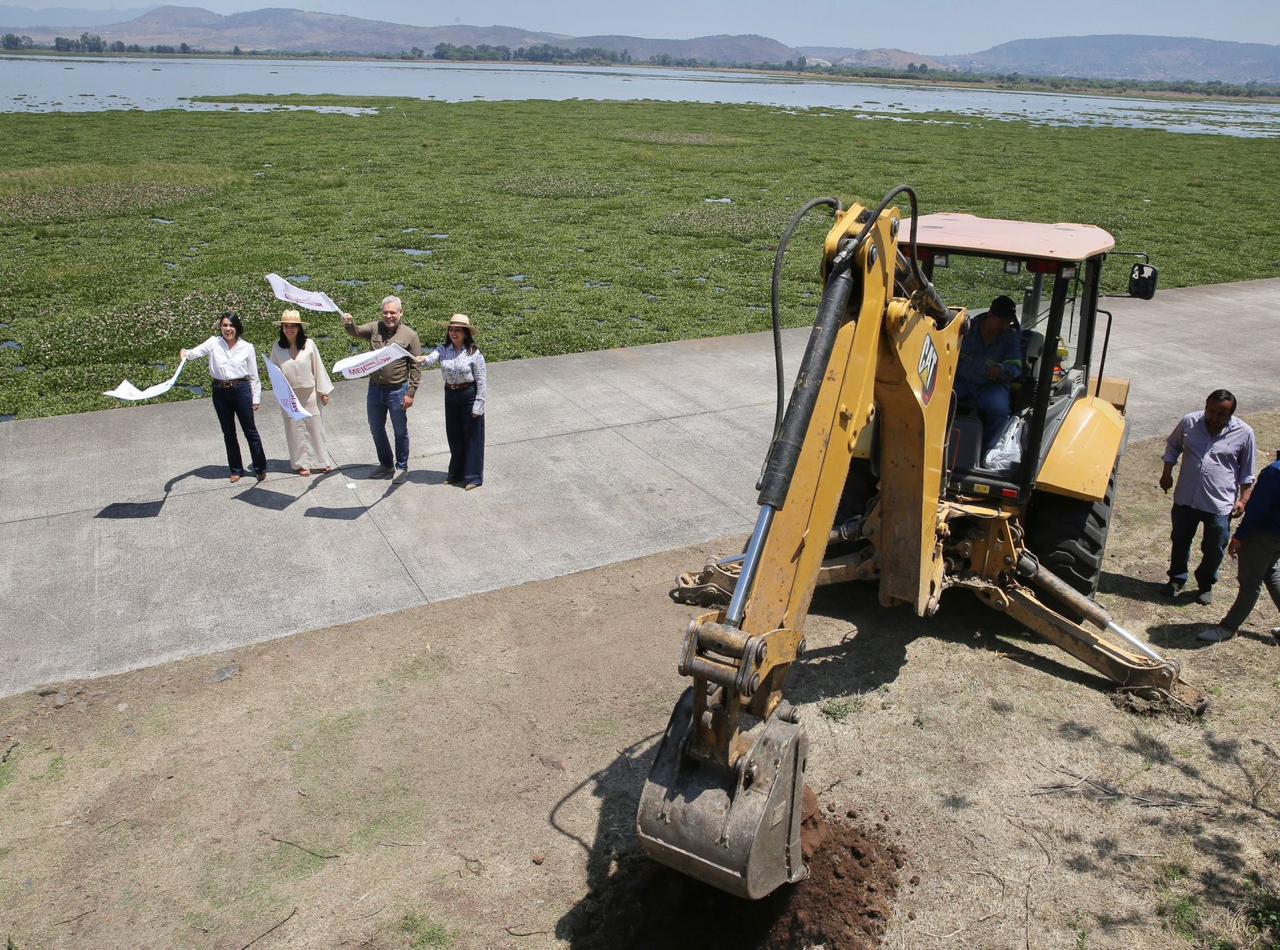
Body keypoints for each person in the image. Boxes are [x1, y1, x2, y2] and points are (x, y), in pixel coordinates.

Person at [1160, 389, 1256, 605]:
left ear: (1230, 414)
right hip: (1186, 498)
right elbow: (1173, 446)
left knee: (1214, 548)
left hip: (1219, 504)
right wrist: (1167, 473)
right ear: (1205, 407)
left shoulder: (1244, 433)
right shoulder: (1189, 422)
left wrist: (1243, 500)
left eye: (1221, 414)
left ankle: (1205, 584)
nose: (1214, 418)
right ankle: (1176, 578)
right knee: (1180, 540)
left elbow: (1247, 472)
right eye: (1210, 411)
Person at [1199, 450, 1280, 643]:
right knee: (1271, 571)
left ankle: (1228, 627)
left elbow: (1257, 509)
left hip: (1263, 535)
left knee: (1250, 584)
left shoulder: (1275, 471)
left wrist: (1240, 536)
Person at [342, 295, 422, 483]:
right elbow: (356, 332)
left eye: (392, 312)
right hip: (375, 389)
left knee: (400, 431)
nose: (388, 316)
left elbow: (416, 366)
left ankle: (401, 467)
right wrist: (349, 323)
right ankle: (386, 464)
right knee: (376, 428)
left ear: (401, 313)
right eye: (385, 312)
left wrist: (410, 393)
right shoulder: (374, 328)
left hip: (398, 391)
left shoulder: (410, 335)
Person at [180, 312, 267, 483]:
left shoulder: (247, 347)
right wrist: (185, 353)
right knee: (228, 432)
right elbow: (195, 353)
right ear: (220, 327)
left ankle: (259, 468)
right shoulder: (214, 342)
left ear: (237, 327)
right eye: (225, 325)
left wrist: (255, 399)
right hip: (220, 390)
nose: (228, 329)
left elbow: (254, 376)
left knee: (250, 431)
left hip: (241, 389)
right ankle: (235, 469)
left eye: (231, 325)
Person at [418, 314, 487, 490]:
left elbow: (481, 381)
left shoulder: (474, 353)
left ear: (465, 333)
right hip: (451, 395)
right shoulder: (443, 349)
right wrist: (421, 359)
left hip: (469, 395)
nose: (453, 333)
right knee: (454, 436)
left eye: (457, 330)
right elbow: (429, 360)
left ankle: (473, 477)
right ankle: (455, 474)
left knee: (472, 438)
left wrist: (478, 405)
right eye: (451, 329)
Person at [269, 310, 334, 476]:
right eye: (286, 326)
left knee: (315, 427)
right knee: (294, 430)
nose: (289, 329)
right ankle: (301, 464)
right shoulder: (277, 348)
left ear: (299, 328)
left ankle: (322, 461)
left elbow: (317, 367)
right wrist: (281, 394)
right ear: (282, 328)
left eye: (293, 326)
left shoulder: (309, 344)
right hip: (289, 394)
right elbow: (274, 373)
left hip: (309, 393)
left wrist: (323, 391)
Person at [955, 295, 1023, 450]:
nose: (1005, 327)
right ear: (990, 315)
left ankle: (985, 450)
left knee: (999, 410)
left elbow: (1016, 367)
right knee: (935, 399)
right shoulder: (966, 329)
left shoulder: (1010, 338)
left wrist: (1001, 370)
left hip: (991, 386)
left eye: (1008, 323)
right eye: (1001, 322)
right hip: (961, 381)